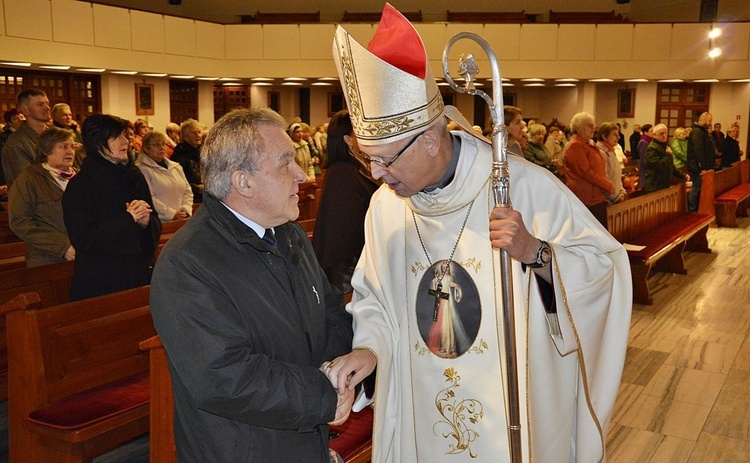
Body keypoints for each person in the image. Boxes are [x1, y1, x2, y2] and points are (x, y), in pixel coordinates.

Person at [327, 6, 631, 462]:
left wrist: (536, 253)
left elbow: (605, 270)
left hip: (516, 416)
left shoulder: (522, 187)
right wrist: (369, 351)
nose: (376, 173)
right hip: (421, 414)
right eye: (366, 157)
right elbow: (375, 301)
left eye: (386, 159)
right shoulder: (385, 209)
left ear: (431, 139)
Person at [149, 108, 354, 462]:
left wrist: (342, 373)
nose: (302, 175)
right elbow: (225, 378)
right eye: (285, 164)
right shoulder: (189, 264)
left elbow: (330, 312)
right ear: (243, 182)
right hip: (242, 449)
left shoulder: (288, 235)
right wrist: (323, 394)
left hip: (302, 439)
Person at [62, 114, 161, 301]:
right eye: (116, 137)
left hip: (138, 274)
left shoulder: (134, 176)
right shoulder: (81, 185)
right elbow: (83, 240)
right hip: (102, 281)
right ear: (97, 141)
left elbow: (153, 221)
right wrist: (128, 219)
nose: (126, 141)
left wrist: (146, 223)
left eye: (125, 135)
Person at [313, 109, 380, 293]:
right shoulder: (342, 173)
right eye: (361, 133)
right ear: (348, 140)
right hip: (348, 269)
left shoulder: (356, 168)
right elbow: (343, 233)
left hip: (361, 259)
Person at [8, 127, 77, 267]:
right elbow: (20, 221)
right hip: (47, 258)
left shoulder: (81, 177)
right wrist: (63, 247)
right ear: (46, 150)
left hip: (85, 254)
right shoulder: (29, 178)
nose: (70, 151)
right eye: (63, 147)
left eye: (72, 147)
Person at [135, 131, 193, 221]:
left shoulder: (176, 167)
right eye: (156, 145)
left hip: (182, 217)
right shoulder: (142, 169)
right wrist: (171, 214)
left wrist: (185, 209)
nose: (162, 148)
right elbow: (149, 197)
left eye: (163, 144)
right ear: (146, 148)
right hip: (160, 220)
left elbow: (187, 191)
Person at [563, 112, 615, 206]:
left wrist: (605, 184)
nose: (593, 128)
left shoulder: (589, 143)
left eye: (594, 125)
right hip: (585, 199)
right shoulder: (575, 145)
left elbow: (600, 169)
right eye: (589, 126)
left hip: (596, 196)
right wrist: (607, 185)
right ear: (578, 128)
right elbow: (586, 172)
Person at [1, 89, 50, 187]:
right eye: (40, 105)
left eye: (47, 104)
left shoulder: (56, 136)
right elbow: (27, 184)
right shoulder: (16, 144)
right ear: (25, 110)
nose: (47, 108)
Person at [644, 123, 687, 193]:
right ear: (654, 135)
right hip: (654, 185)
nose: (664, 135)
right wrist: (668, 155)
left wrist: (683, 175)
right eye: (661, 133)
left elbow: (670, 166)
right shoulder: (651, 148)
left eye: (665, 133)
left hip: (664, 184)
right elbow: (657, 166)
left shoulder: (666, 146)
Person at [687, 111, 715, 212]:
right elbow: (698, 151)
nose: (711, 122)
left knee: (700, 188)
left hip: (702, 166)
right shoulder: (697, 132)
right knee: (696, 188)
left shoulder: (702, 131)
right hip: (697, 167)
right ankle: (692, 211)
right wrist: (703, 167)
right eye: (709, 120)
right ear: (703, 120)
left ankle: (698, 209)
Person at [171, 119, 204, 202]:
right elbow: (176, 181)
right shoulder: (180, 154)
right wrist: (196, 188)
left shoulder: (203, 151)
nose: (198, 135)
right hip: (189, 198)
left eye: (199, 132)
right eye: (194, 133)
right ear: (185, 137)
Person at [595, 122, 626, 204]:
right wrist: (615, 198)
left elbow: (617, 175)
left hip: (616, 197)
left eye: (618, 134)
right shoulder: (600, 153)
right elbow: (603, 180)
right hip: (608, 201)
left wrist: (622, 191)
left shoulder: (611, 151)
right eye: (615, 134)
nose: (618, 137)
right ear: (604, 136)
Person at [51, 103, 85, 169]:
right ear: (55, 117)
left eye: (70, 115)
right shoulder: (53, 133)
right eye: (65, 115)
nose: (68, 117)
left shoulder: (74, 130)